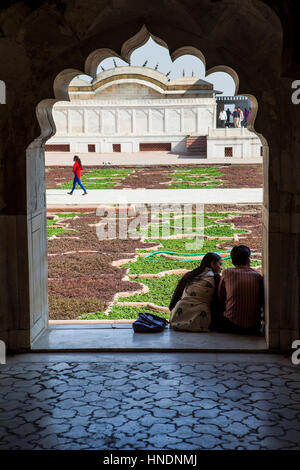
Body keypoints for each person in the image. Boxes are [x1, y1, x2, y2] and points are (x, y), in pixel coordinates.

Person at [169, 252, 222, 332]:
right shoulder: (215, 278)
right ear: (212, 263)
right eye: (220, 264)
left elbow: (174, 300)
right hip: (200, 317)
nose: (221, 268)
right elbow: (217, 303)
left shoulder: (189, 275)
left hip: (177, 316)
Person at [216, 245, 264, 334]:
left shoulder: (227, 272)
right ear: (248, 259)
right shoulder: (257, 276)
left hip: (231, 325)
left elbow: (220, 297)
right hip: (253, 327)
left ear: (233, 260)